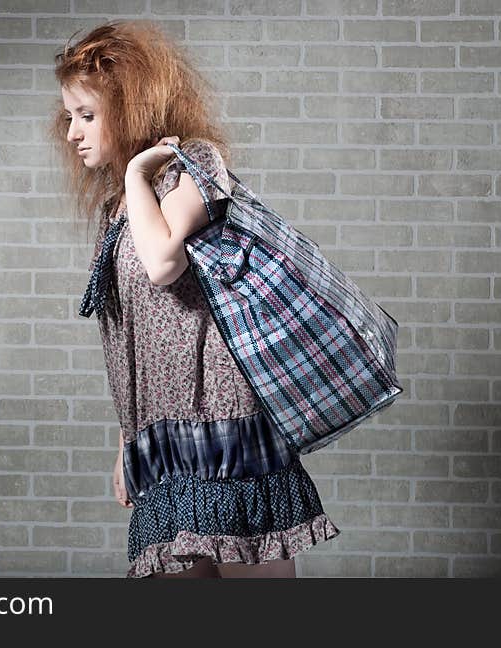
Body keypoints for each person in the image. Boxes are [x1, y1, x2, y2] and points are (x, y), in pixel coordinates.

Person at [50, 20, 340, 578]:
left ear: (130, 107)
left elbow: (163, 264)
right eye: (70, 117)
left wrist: (138, 171)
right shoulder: (119, 209)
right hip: (162, 436)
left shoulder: (195, 167)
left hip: (224, 425)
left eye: (87, 115)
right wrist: (127, 439)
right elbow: (137, 329)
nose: (73, 133)